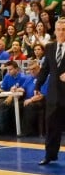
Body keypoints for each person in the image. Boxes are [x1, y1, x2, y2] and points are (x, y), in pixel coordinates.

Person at [35, 17, 65, 166]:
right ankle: (50, 155)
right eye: (59, 29)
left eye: (64, 30)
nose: (61, 32)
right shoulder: (50, 47)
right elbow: (45, 69)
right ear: (55, 31)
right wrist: (37, 86)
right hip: (53, 93)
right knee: (52, 126)